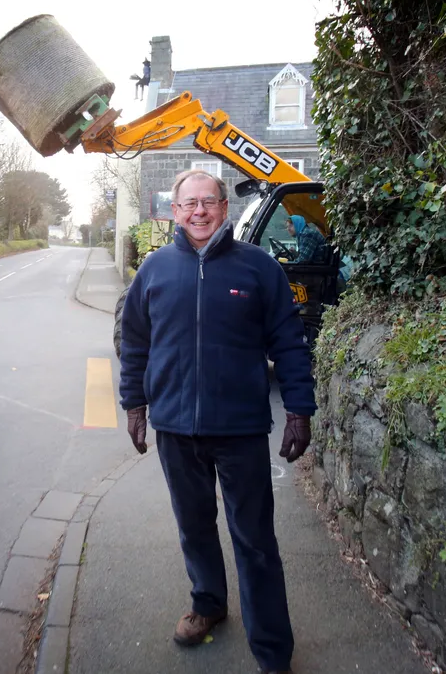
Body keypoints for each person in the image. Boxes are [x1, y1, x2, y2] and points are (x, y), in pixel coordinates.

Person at [119, 169, 316, 674]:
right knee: (194, 527)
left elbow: (289, 343)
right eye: (189, 204)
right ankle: (207, 603)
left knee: (254, 539)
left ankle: (272, 648)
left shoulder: (259, 269)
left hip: (241, 430)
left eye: (209, 202)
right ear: (175, 211)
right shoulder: (155, 270)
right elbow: (135, 343)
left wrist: (299, 409)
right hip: (176, 430)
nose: (199, 211)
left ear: (224, 209)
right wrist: (135, 404)